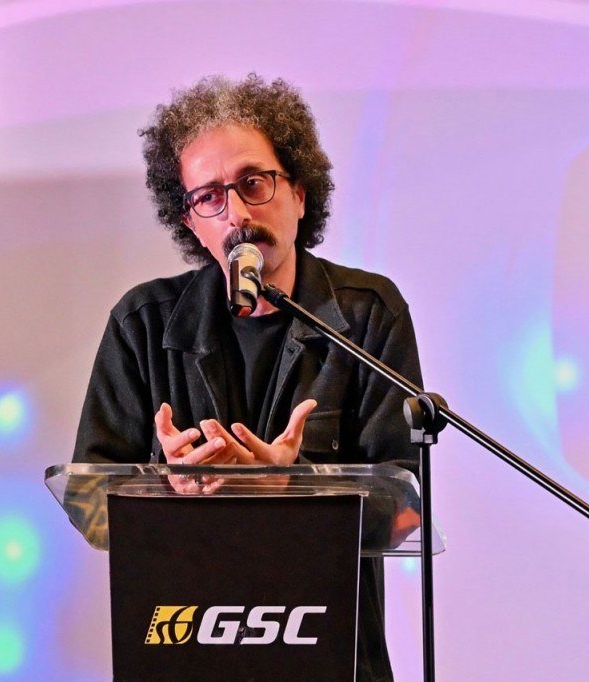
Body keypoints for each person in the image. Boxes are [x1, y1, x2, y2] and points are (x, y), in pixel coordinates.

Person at [72, 74, 423, 681]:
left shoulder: (368, 315)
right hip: (189, 649)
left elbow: (405, 509)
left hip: (332, 655)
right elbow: (87, 501)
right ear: (191, 222)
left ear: (300, 195)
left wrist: (294, 487)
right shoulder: (142, 323)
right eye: (209, 197)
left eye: (254, 183)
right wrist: (165, 488)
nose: (236, 213)